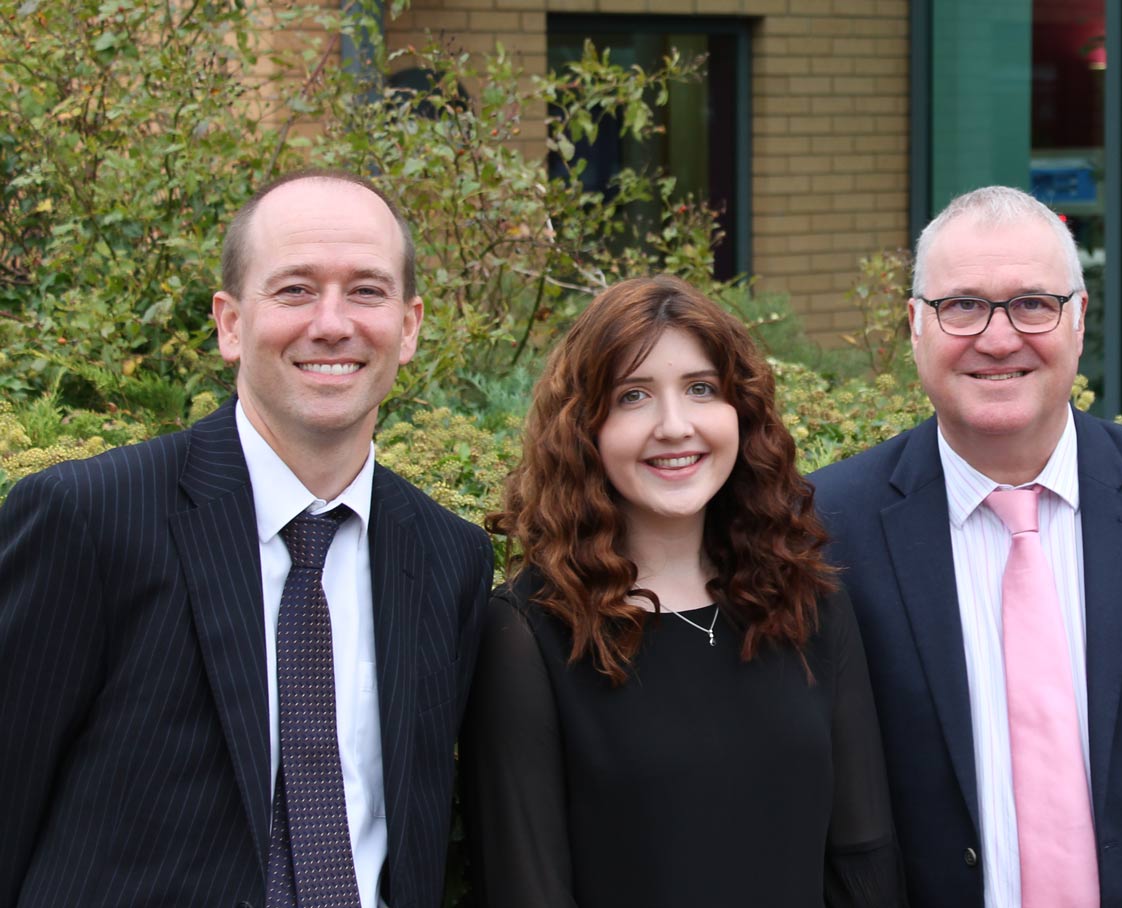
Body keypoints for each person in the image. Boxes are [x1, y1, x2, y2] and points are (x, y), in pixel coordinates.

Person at [0, 169, 493, 907]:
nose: (332, 323)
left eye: (366, 290)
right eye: (295, 289)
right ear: (230, 324)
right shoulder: (88, 518)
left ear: (410, 325)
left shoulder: (448, 556)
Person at [809, 185, 1122, 907]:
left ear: (1078, 321)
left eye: (1033, 304)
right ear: (916, 325)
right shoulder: (827, 526)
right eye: (962, 305)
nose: (999, 338)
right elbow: (812, 800)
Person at [461, 274, 903, 908]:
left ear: (740, 413)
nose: (674, 426)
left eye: (701, 389)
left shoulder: (804, 599)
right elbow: (525, 888)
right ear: (585, 429)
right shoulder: (529, 633)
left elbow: (864, 860)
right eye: (633, 396)